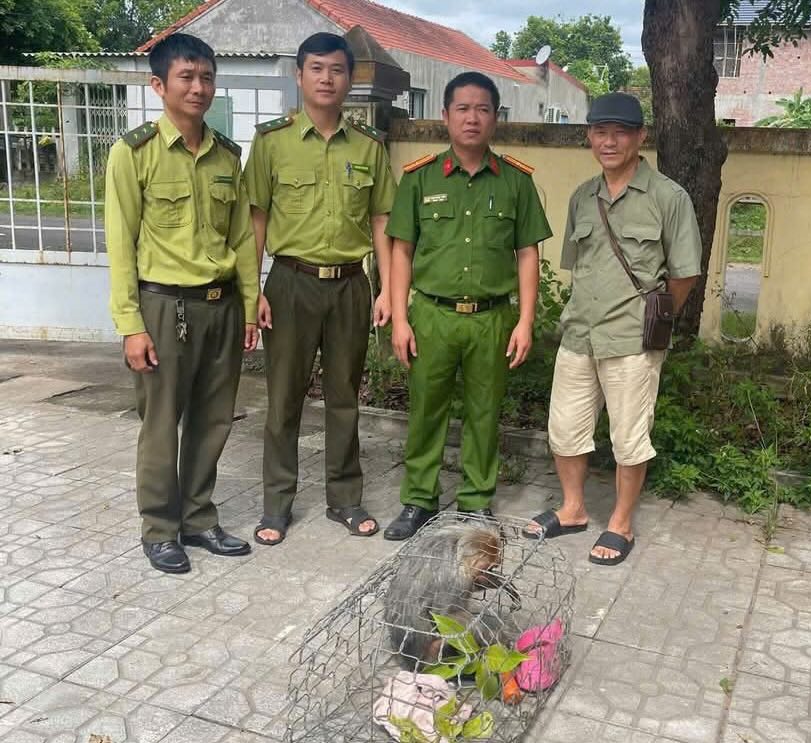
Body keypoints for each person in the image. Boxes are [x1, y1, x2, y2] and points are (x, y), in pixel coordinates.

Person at [524, 92, 702, 566]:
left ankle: (621, 522)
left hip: (632, 340)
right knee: (564, 429)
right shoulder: (584, 197)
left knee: (629, 437)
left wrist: (655, 317)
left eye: (620, 132)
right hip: (580, 332)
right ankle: (574, 508)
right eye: (600, 131)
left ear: (641, 137)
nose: (609, 141)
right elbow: (577, 266)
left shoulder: (669, 197)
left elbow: (684, 274)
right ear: (589, 136)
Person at [104, 33, 260, 574]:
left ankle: (198, 517)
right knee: (161, 421)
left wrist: (249, 303)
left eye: (207, 77)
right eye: (187, 77)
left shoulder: (226, 156)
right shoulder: (134, 152)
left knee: (213, 421)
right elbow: (120, 244)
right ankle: (160, 528)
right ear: (158, 84)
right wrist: (130, 325)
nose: (199, 87)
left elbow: (241, 238)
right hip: (163, 309)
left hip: (221, 308)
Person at [384, 72, 552, 541]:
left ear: (495, 117)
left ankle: (476, 502)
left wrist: (524, 320)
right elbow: (400, 250)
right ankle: (419, 499)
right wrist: (401, 319)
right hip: (433, 316)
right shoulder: (419, 179)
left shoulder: (516, 182)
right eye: (462, 108)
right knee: (426, 411)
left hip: (492, 319)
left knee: (484, 413)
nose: (472, 118)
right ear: (445, 116)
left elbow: (527, 253)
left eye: (482, 109)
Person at [243, 32, 396, 545]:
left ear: (350, 78)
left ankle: (345, 499)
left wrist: (388, 289)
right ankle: (277, 504)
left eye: (336, 69)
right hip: (289, 283)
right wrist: (253, 289)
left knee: (344, 398)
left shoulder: (369, 147)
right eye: (316, 68)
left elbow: (381, 222)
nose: (327, 78)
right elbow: (256, 222)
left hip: (351, 284)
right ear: (300, 75)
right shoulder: (272, 142)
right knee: (284, 399)